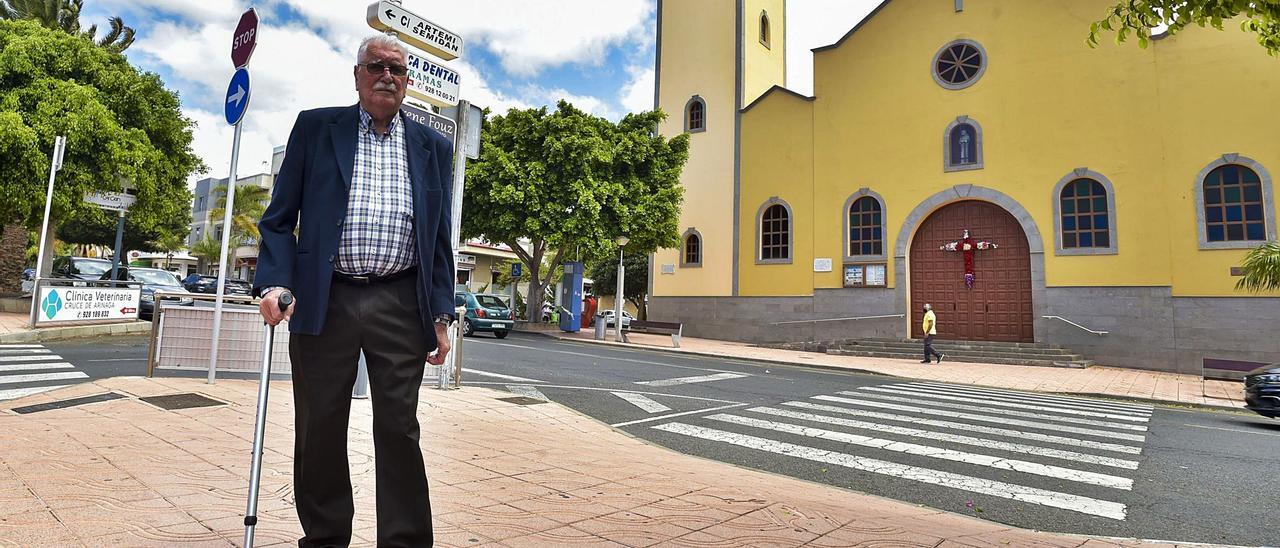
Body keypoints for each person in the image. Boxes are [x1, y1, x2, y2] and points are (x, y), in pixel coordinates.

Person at [253, 34, 455, 547]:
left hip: (400, 300)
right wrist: (276, 281)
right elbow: (279, 221)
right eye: (376, 66)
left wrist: (441, 315)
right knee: (319, 427)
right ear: (358, 74)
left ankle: (405, 541)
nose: (388, 75)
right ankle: (324, 538)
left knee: (399, 430)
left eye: (398, 69)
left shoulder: (434, 146)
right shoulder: (317, 128)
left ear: (407, 81)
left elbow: (437, 239)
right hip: (328, 296)